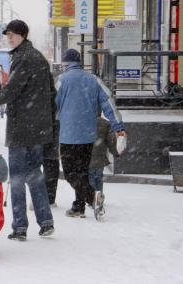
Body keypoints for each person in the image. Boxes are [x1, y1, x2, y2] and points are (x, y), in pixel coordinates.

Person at [0, 19, 57, 241]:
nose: (9, 39)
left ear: (23, 36)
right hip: (37, 128)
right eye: (7, 35)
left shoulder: (23, 58)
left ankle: (20, 227)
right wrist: (48, 123)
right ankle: (46, 222)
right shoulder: (38, 58)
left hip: (22, 128)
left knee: (17, 177)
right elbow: (51, 93)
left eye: (13, 35)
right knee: (35, 174)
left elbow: (9, 93)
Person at [56, 48, 126, 218]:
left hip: (69, 135)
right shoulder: (94, 80)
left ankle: (91, 196)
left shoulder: (61, 81)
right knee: (81, 172)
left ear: (65, 64)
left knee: (70, 173)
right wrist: (119, 128)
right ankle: (78, 207)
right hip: (89, 135)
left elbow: (51, 105)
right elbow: (109, 103)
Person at [89, 115, 119, 217]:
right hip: (100, 156)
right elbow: (111, 140)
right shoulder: (105, 123)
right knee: (98, 177)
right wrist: (115, 151)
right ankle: (99, 198)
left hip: (86, 155)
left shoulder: (83, 120)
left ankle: (92, 198)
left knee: (90, 177)